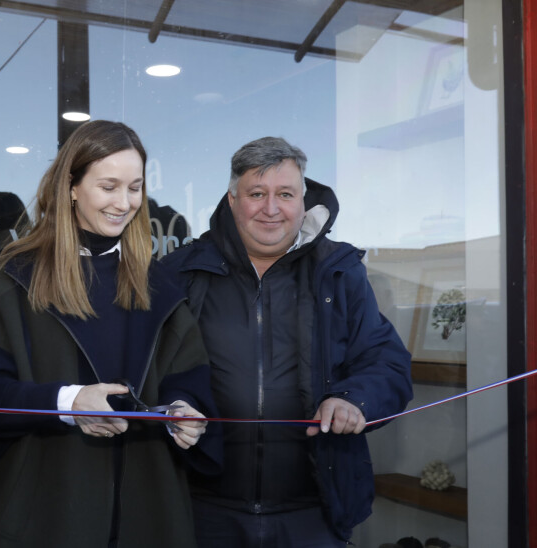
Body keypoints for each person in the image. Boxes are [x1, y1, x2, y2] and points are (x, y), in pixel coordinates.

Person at [0, 120, 222, 548]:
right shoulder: (11, 280)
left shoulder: (162, 288)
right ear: (72, 187)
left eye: (134, 187)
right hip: (43, 514)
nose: (125, 202)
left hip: (150, 514)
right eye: (109, 186)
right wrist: (68, 402)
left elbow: (189, 382)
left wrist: (184, 413)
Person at [162, 136, 413, 546]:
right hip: (201, 510)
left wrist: (354, 400)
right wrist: (170, 406)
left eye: (285, 194)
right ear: (231, 199)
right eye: (256, 194)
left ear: (303, 200)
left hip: (312, 512)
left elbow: (388, 365)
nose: (271, 209)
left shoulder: (338, 272)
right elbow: (146, 373)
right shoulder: (181, 274)